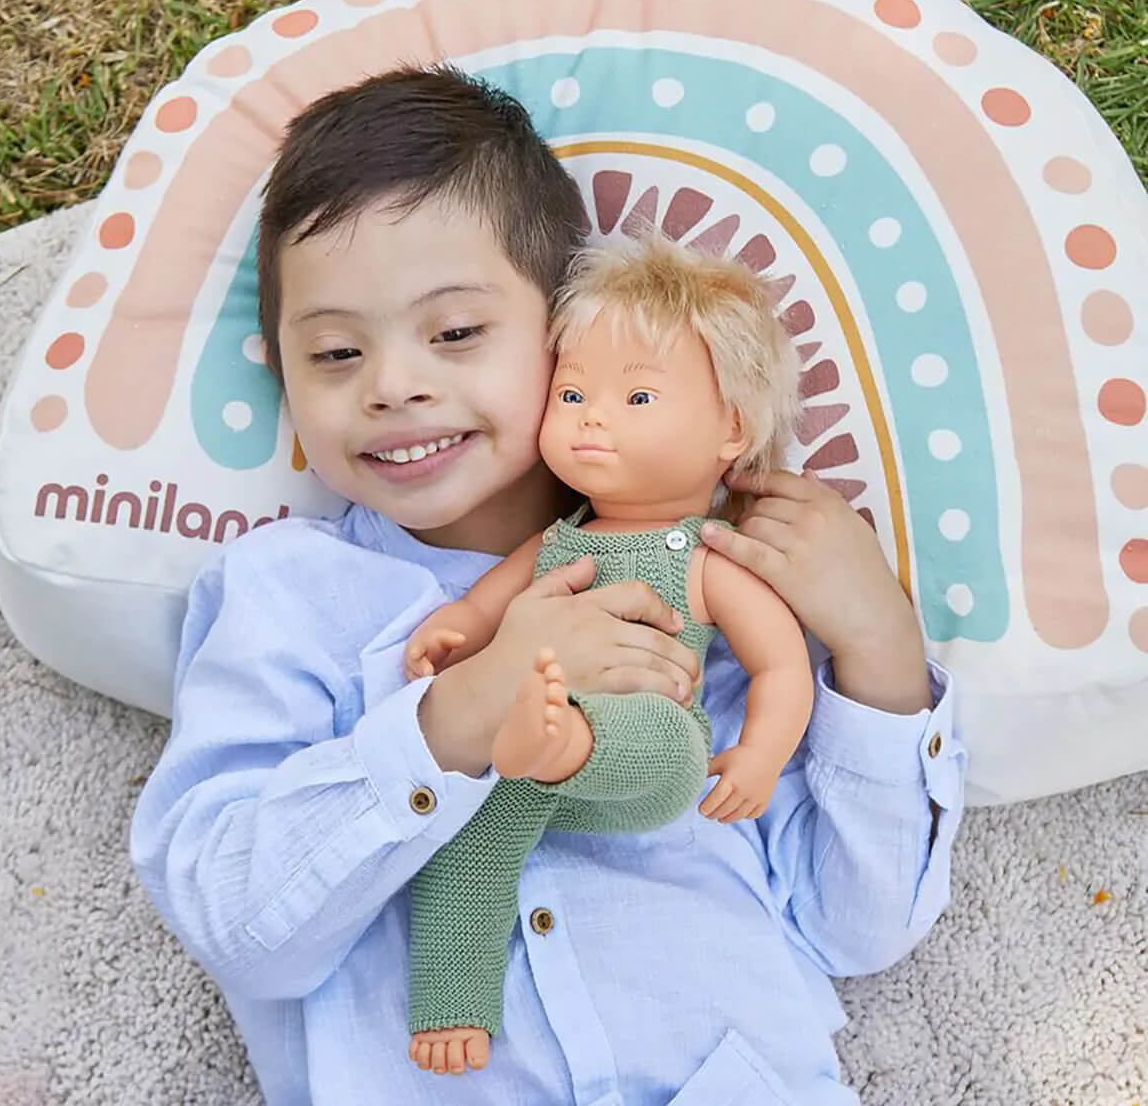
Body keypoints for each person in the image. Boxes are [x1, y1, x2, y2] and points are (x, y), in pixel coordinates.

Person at [130, 66, 966, 1106]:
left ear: (567, 335)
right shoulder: (285, 595)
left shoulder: (700, 584)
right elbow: (237, 924)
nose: (393, 385)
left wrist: (880, 647)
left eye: (455, 333)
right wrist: (462, 712)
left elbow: (859, 927)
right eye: (336, 352)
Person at [400, 234, 816, 1072]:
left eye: (637, 397)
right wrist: (456, 627)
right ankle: (451, 1000)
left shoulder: (706, 561)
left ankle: (561, 740)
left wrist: (762, 754)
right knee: (472, 836)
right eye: (573, 392)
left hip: (645, 759)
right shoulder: (560, 541)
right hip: (525, 765)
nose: (591, 416)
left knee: (667, 739)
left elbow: (781, 665)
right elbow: (487, 602)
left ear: (731, 428)